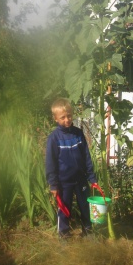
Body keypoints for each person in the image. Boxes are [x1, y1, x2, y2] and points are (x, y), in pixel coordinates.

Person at [46, 98, 97, 238]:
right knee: (64, 209)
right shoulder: (54, 138)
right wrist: (53, 184)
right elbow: (50, 163)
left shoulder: (78, 134)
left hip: (80, 180)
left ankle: (88, 231)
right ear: (55, 118)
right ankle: (64, 234)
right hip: (64, 182)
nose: (67, 119)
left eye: (69, 115)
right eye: (62, 117)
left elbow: (86, 156)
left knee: (85, 207)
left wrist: (92, 178)